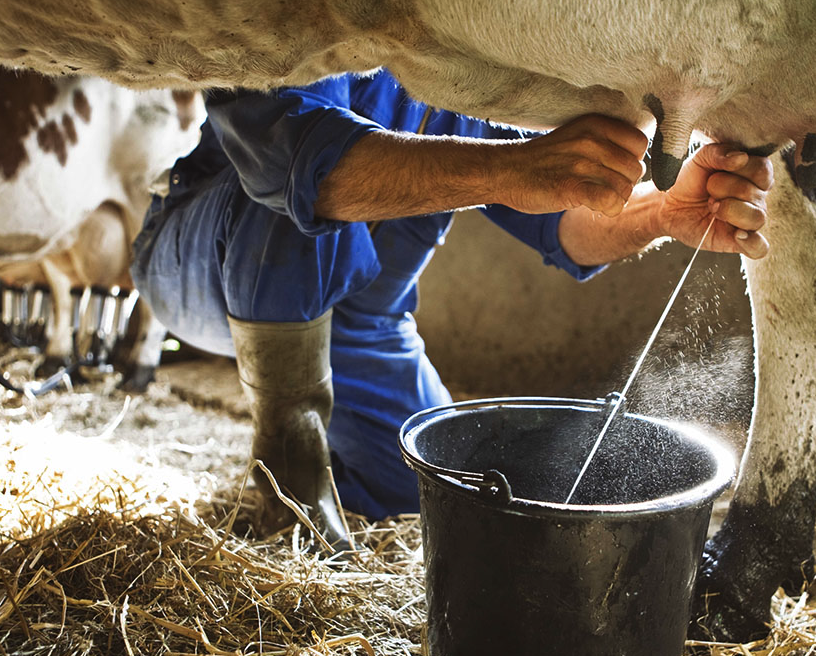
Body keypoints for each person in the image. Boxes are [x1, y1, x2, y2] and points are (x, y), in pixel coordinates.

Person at [131, 70, 772, 548]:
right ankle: (288, 478)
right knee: (295, 194)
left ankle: (334, 467)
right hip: (199, 257)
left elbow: (567, 224)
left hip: (362, 327)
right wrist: (515, 169)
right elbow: (300, 165)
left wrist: (662, 211)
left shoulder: (465, 68)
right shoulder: (307, 26)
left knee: (432, 490)